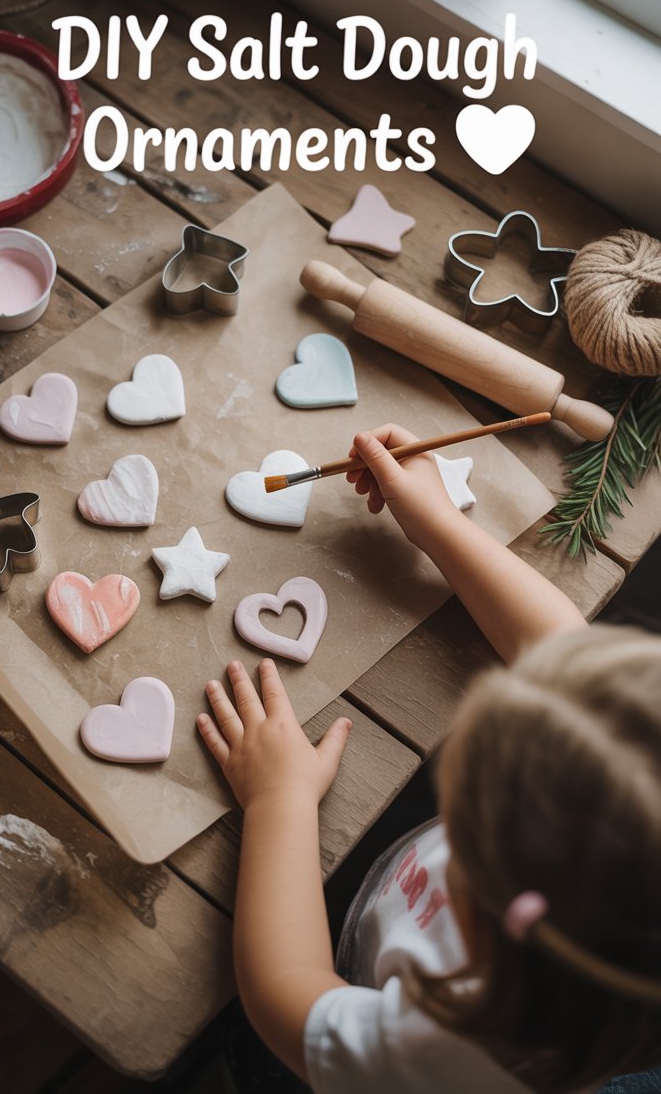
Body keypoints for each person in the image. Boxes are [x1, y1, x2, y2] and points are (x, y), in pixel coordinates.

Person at [197, 426, 661, 1093]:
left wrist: (280, 801)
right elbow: (560, 651)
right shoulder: (622, 820)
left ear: (499, 901)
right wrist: (438, 524)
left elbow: (284, 993)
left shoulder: (446, 1053)